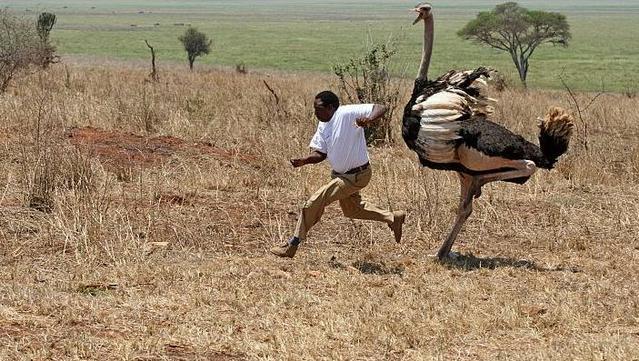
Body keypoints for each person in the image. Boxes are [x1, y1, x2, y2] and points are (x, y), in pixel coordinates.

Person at [270, 90, 406, 258]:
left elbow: (381, 107)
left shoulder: (346, 113)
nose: (315, 112)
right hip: (340, 176)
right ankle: (393, 217)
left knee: (313, 202)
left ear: (331, 107)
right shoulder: (323, 125)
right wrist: (305, 160)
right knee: (353, 210)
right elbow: (320, 153)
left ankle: (292, 244)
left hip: (357, 175)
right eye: (314, 109)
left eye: (319, 108)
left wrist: (369, 119)